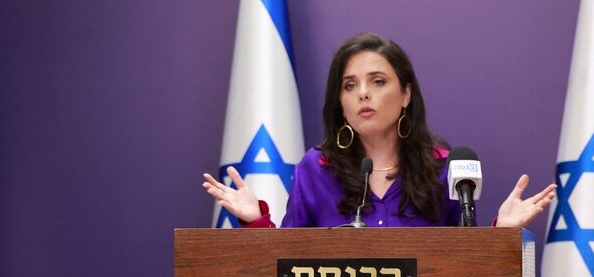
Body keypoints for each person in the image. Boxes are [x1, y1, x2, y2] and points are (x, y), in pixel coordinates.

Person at [203, 33, 556, 228]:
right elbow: (287, 267)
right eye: (350, 85)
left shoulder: (445, 169)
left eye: (378, 81)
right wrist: (256, 221)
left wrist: (501, 234)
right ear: (340, 102)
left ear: (406, 95)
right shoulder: (316, 168)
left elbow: (468, 268)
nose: (363, 94)